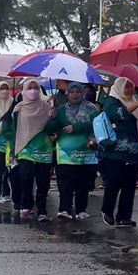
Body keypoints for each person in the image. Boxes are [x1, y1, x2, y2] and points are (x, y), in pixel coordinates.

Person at [47, 82, 100, 219]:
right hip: (66, 154)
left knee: (84, 182)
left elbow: (97, 124)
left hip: (86, 152)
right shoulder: (60, 110)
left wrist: (76, 127)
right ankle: (64, 209)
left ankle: (81, 209)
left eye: (78, 92)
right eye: (72, 92)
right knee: (65, 182)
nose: (75, 94)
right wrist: (52, 118)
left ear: (83, 93)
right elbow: (51, 129)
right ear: (68, 94)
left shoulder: (91, 108)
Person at [99, 77, 138, 227]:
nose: (129, 90)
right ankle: (107, 211)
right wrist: (136, 104)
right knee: (113, 182)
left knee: (129, 185)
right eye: (126, 87)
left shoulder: (136, 101)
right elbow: (116, 115)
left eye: (131, 86)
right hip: (115, 151)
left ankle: (124, 216)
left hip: (133, 151)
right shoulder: (112, 100)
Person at [9, 79, 55, 222]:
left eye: (36, 87)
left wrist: (52, 117)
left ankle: (42, 211)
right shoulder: (18, 109)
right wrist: (12, 151)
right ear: (24, 90)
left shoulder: (47, 107)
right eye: (30, 87)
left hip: (43, 149)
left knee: (43, 182)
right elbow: (13, 130)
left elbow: (51, 129)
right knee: (25, 179)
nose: (33, 90)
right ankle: (26, 206)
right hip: (24, 149)